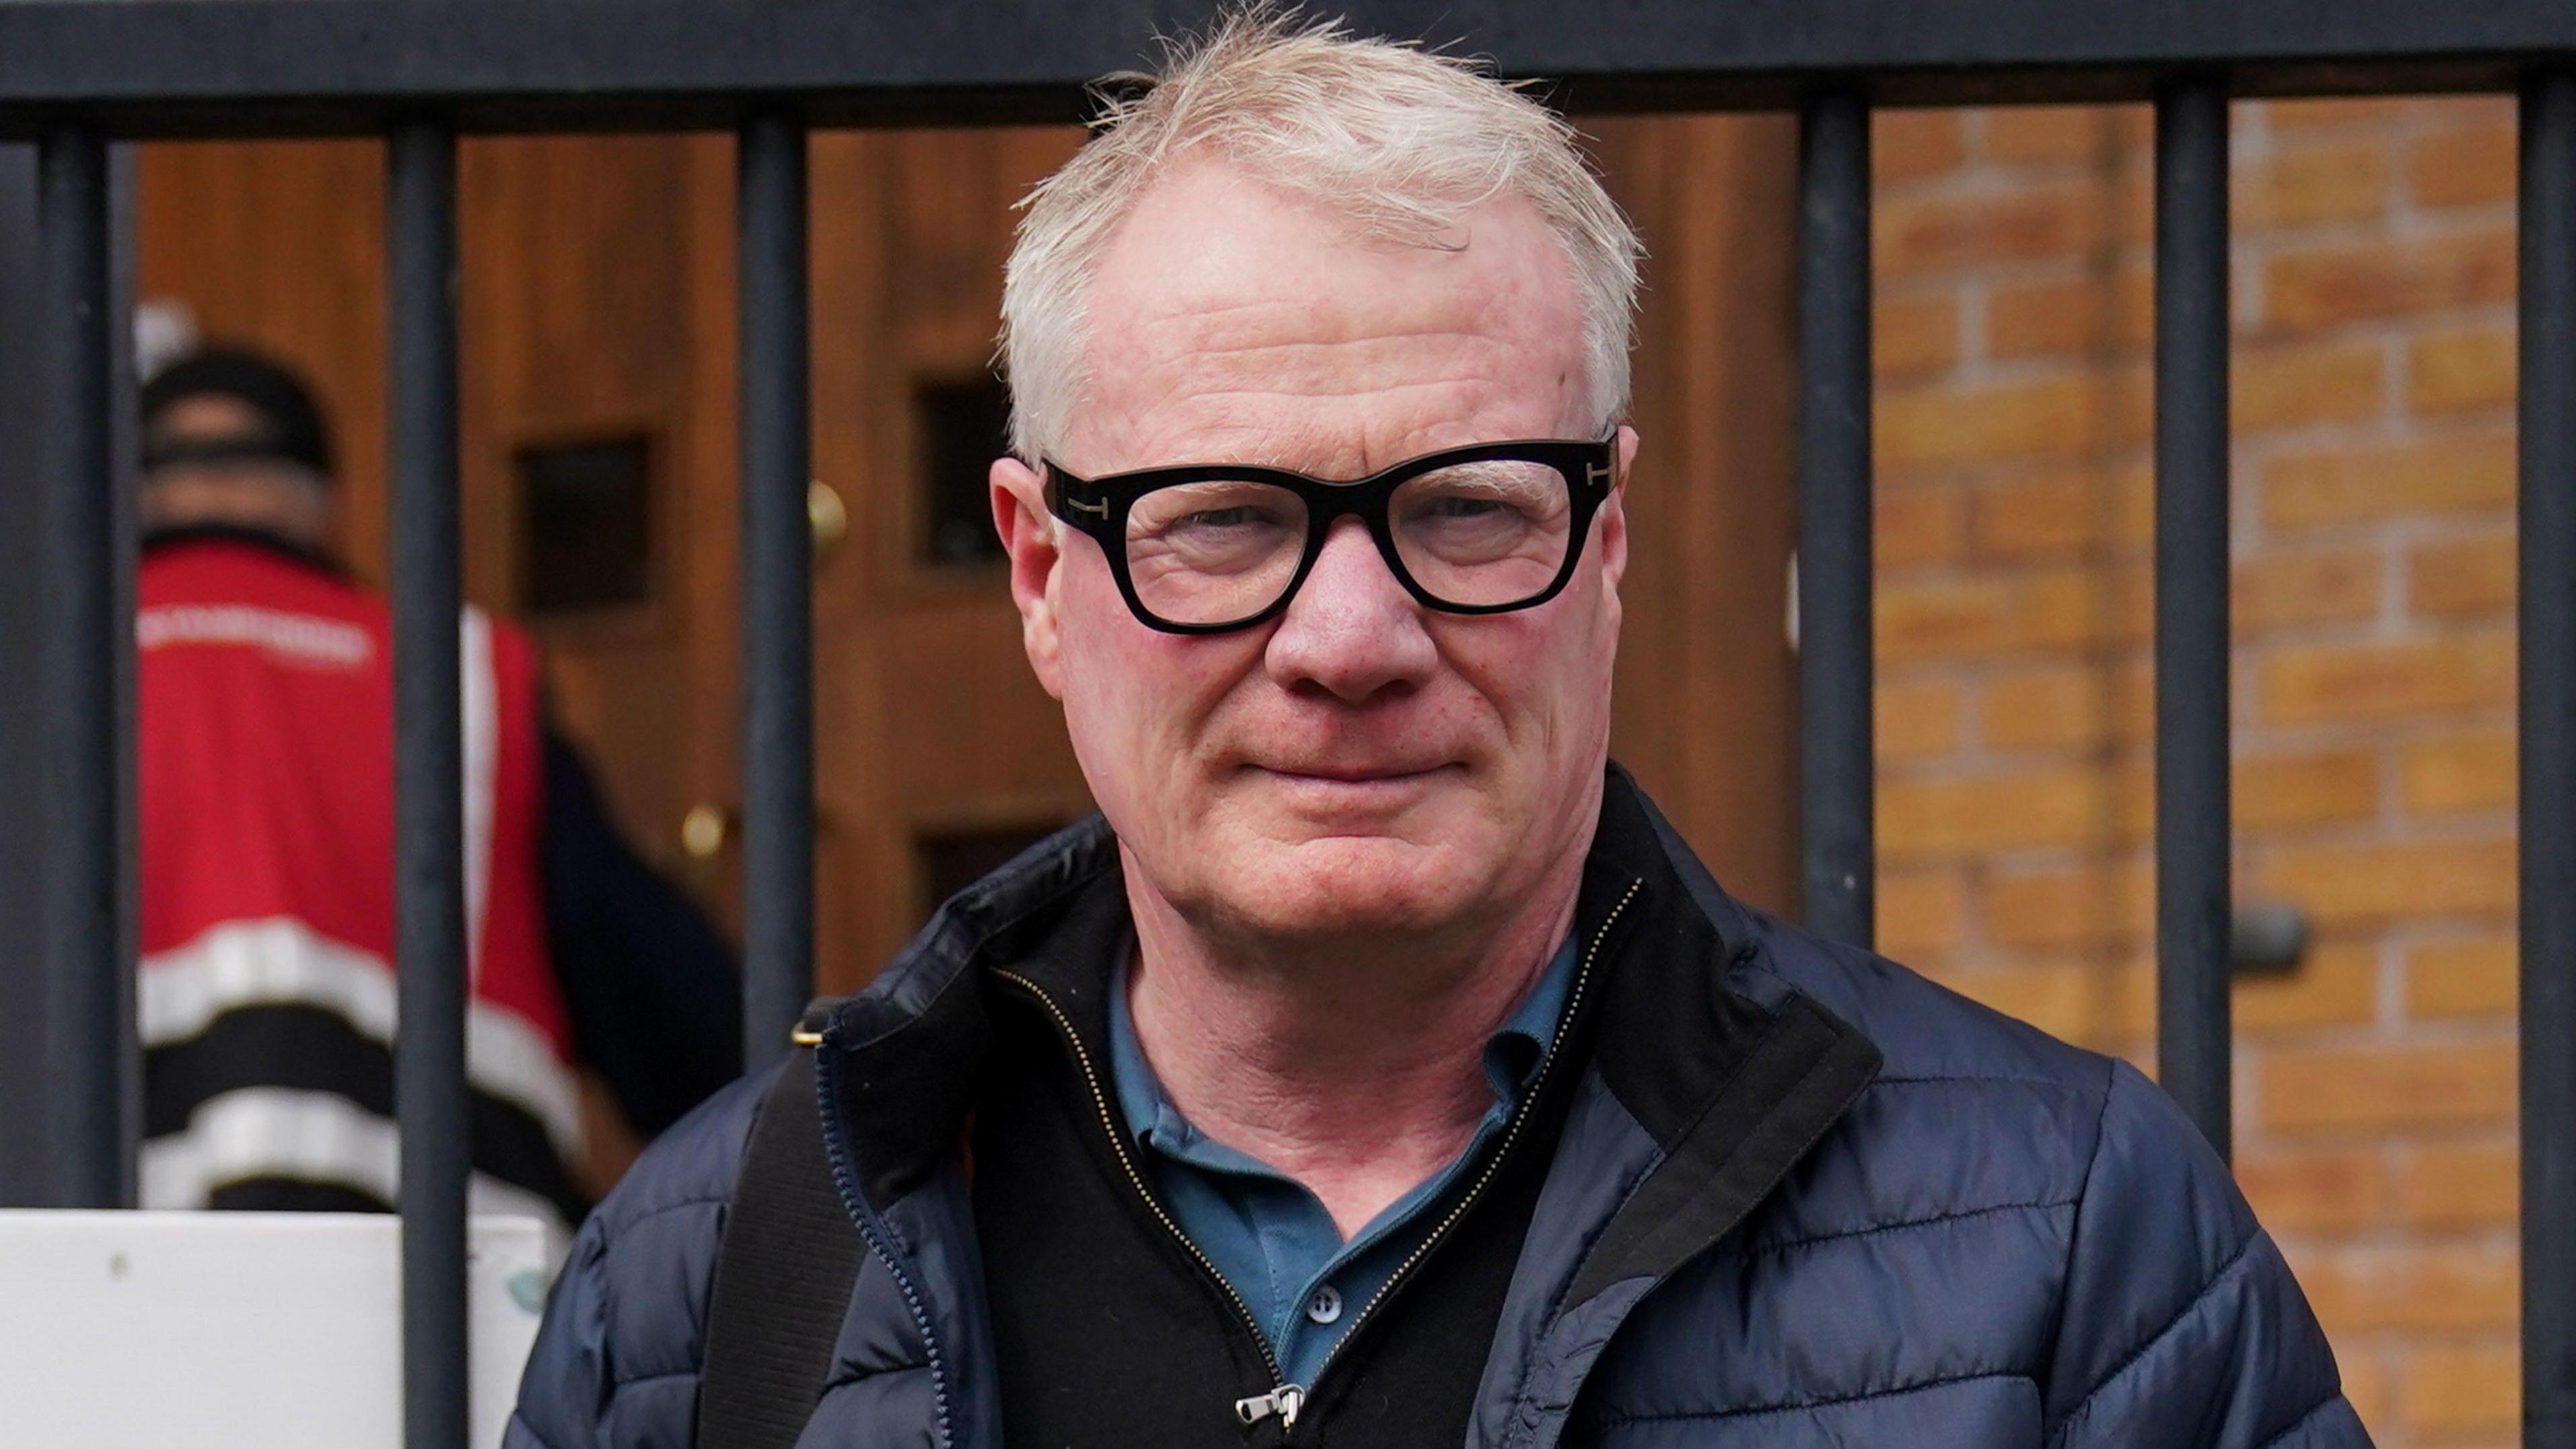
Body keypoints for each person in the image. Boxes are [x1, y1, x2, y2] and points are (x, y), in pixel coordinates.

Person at [508, 13, 2369, 1447]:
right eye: (1224, 520)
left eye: (1470, 509)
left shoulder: (2066, 1249)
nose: (1350, 637)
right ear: (1037, 572)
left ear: (1609, 542)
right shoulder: (715, 1280)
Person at [137, 345, 741, 1239]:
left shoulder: (49, 674)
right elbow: (677, 1018)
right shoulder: (457, 675)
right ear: (326, 506)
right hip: (440, 1275)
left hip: (100, 1265)